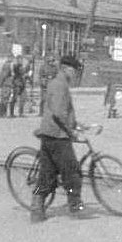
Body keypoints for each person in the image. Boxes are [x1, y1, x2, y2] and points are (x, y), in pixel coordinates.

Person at [30, 55, 87, 223]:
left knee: (47, 174)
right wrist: (71, 131)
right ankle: (74, 204)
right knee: (73, 171)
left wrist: (77, 124)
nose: (75, 74)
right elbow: (58, 113)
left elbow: (63, 112)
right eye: (75, 71)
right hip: (58, 135)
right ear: (67, 69)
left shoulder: (57, 83)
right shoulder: (60, 85)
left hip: (50, 133)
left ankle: (36, 208)